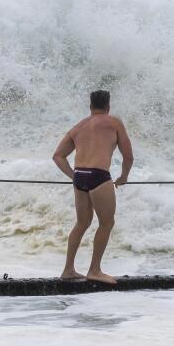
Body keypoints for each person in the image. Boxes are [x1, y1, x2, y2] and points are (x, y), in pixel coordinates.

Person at [53, 90, 133, 284]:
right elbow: (128, 156)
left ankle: (68, 270)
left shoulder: (78, 126)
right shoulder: (114, 122)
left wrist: (74, 176)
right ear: (108, 107)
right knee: (106, 223)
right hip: (99, 176)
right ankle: (94, 270)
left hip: (80, 177)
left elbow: (58, 156)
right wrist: (123, 177)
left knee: (82, 223)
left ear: (90, 107)